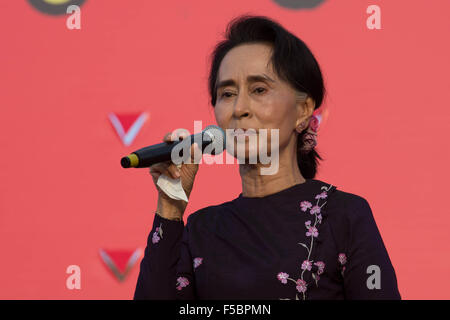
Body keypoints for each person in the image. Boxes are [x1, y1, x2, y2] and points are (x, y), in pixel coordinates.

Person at [133, 15, 401, 300]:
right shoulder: (201, 229)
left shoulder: (344, 216)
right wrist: (170, 208)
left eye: (259, 89)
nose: (239, 108)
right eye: (227, 93)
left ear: (303, 110)